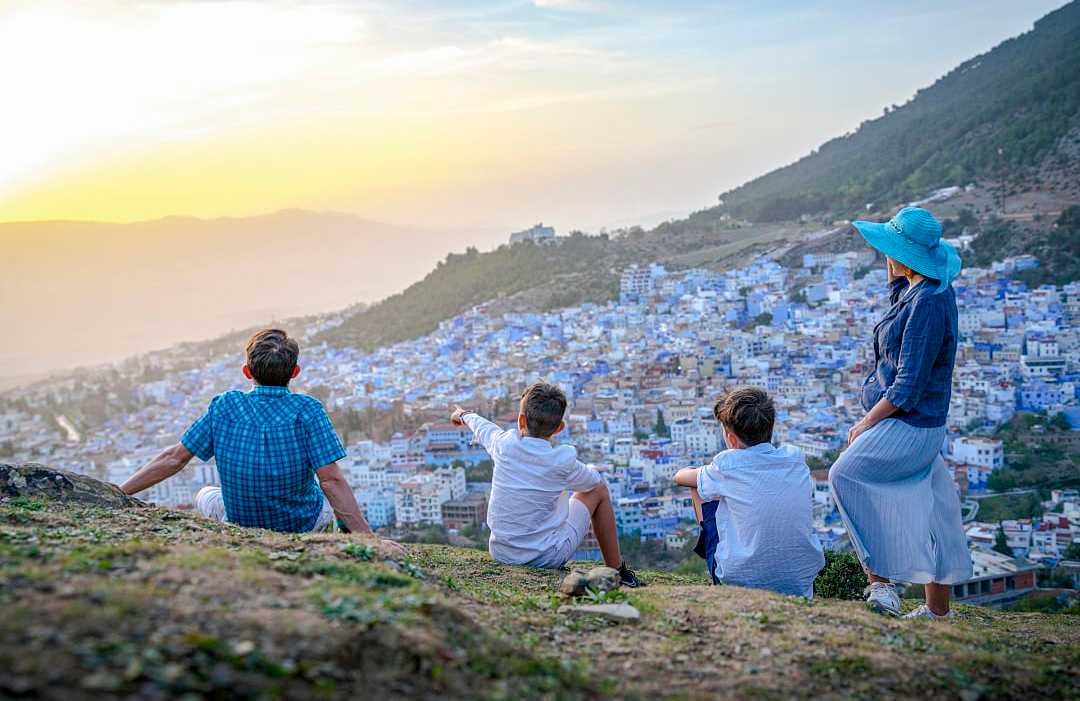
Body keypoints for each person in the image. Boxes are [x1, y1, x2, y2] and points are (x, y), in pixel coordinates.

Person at [120, 328, 404, 555]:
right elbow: (331, 481)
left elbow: (174, 458)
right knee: (323, 493)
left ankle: (229, 544)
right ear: (295, 372)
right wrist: (372, 541)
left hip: (241, 522)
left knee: (204, 494)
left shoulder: (225, 406)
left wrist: (118, 492)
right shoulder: (307, 410)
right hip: (301, 525)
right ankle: (350, 541)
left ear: (247, 372)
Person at [829, 207, 972, 620]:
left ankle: (882, 584)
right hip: (920, 421)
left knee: (844, 474)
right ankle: (938, 612)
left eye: (890, 250)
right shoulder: (919, 289)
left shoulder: (927, 302)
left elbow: (908, 385)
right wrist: (897, 265)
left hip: (909, 422)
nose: (884, 255)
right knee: (934, 510)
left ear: (906, 256)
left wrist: (866, 422)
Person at [450, 382, 642, 587]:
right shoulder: (562, 460)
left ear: (521, 420)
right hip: (545, 558)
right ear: (559, 428)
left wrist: (462, 414)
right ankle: (617, 570)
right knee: (599, 490)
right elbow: (594, 483)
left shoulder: (503, 444)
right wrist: (584, 470)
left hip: (501, 552)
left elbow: (483, 426)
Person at [673, 387, 824, 597]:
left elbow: (680, 477)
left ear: (731, 438)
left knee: (699, 486)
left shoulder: (726, 465)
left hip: (739, 582)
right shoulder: (795, 458)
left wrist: (695, 472)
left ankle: (717, 572)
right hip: (800, 582)